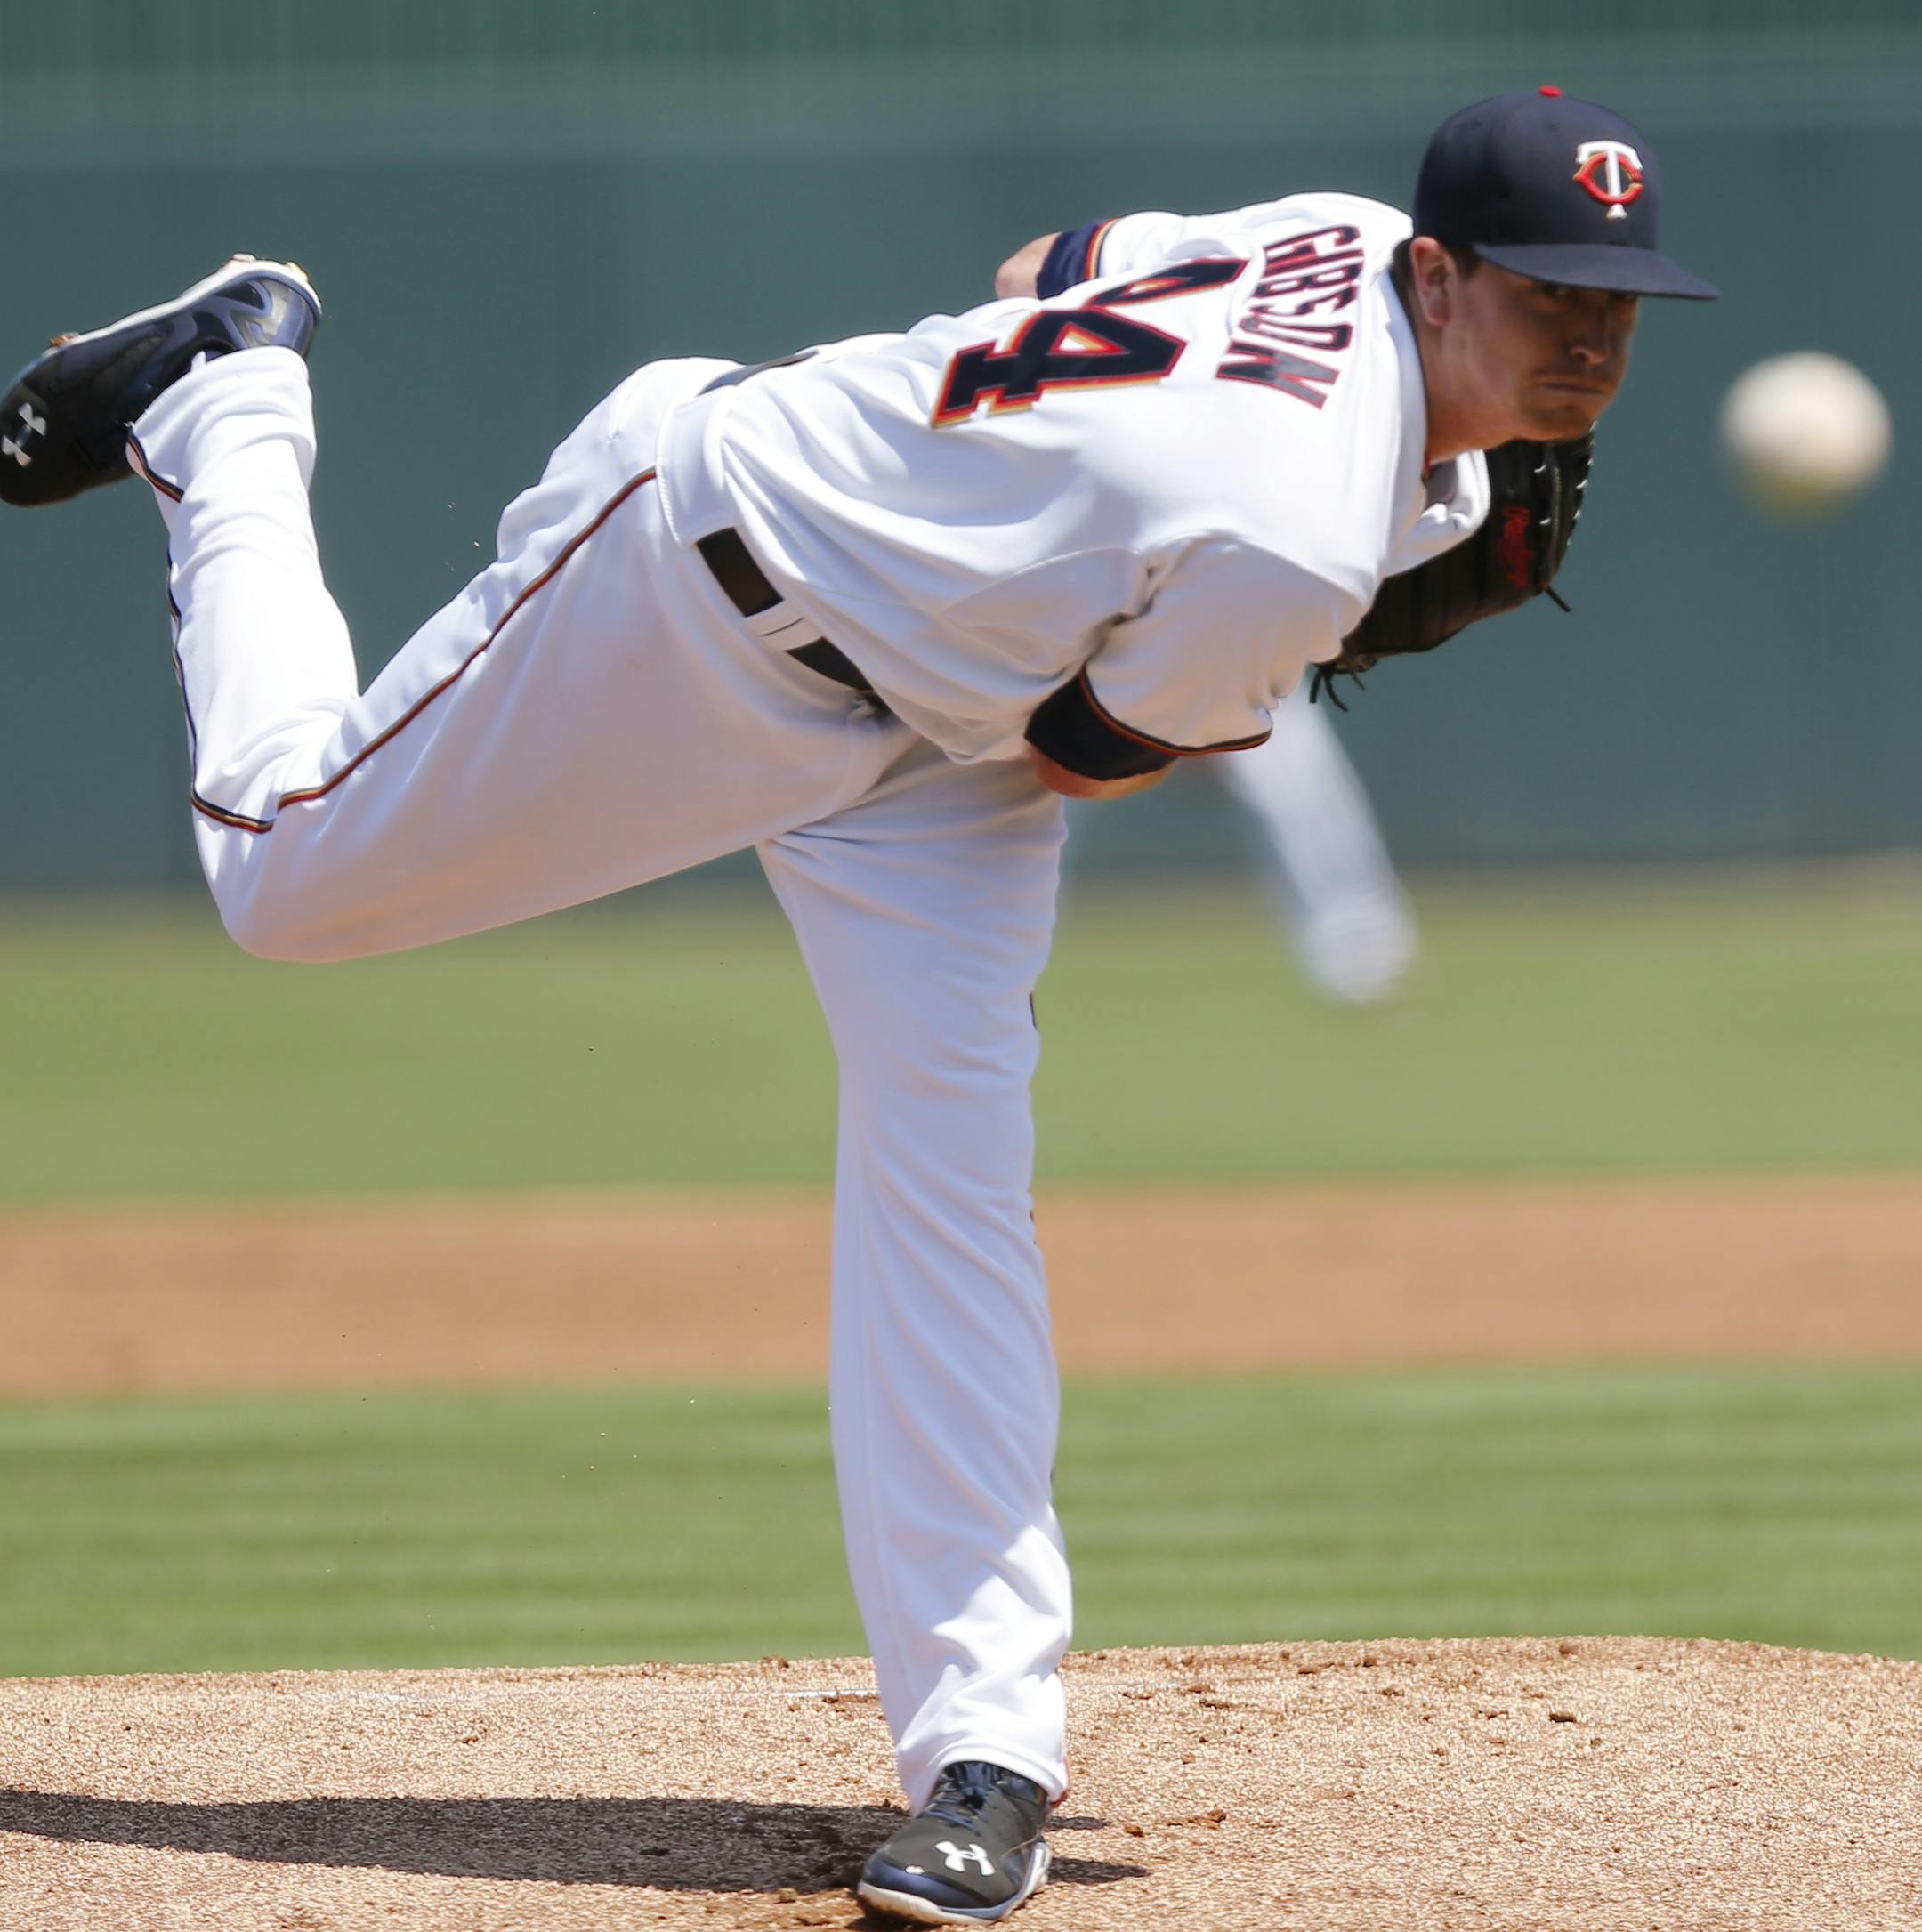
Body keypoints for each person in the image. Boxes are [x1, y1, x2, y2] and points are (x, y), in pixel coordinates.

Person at [0, 89, 1712, 1926]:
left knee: (951, 1181)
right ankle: (228, 397)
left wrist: (1069, 502)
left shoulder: (1331, 233)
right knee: (284, 872)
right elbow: (1089, 755)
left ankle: (988, 1758)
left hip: (937, 725)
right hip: (706, 588)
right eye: (1547, 295)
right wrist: (1288, 579)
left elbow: (1039, 268)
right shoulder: (1293, 533)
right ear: (1440, 276)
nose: (1590, 339)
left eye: (1616, 303)